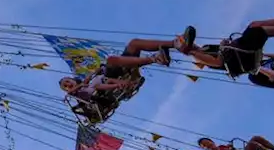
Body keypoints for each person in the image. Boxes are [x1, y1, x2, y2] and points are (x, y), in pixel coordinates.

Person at [60, 29, 196, 100]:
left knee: (134, 43)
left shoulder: (85, 78)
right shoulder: (77, 93)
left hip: (114, 70)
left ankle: (176, 44)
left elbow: (97, 72)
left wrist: (92, 74)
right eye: (65, 87)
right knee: (112, 60)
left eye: (67, 81)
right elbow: (79, 91)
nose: (68, 85)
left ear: (71, 78)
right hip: (112, 76)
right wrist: (83, 83)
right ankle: (155, 59)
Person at [185, 8, 274, 76]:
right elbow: (218, 62)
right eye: (192, 44)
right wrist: (223, 47)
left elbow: (224, 51)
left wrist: (226, 44)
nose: (195, 44)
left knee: (255, 26)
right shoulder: (198, 55)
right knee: (259, 30)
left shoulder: (206, 47)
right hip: (242, 60)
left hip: (240, 52)